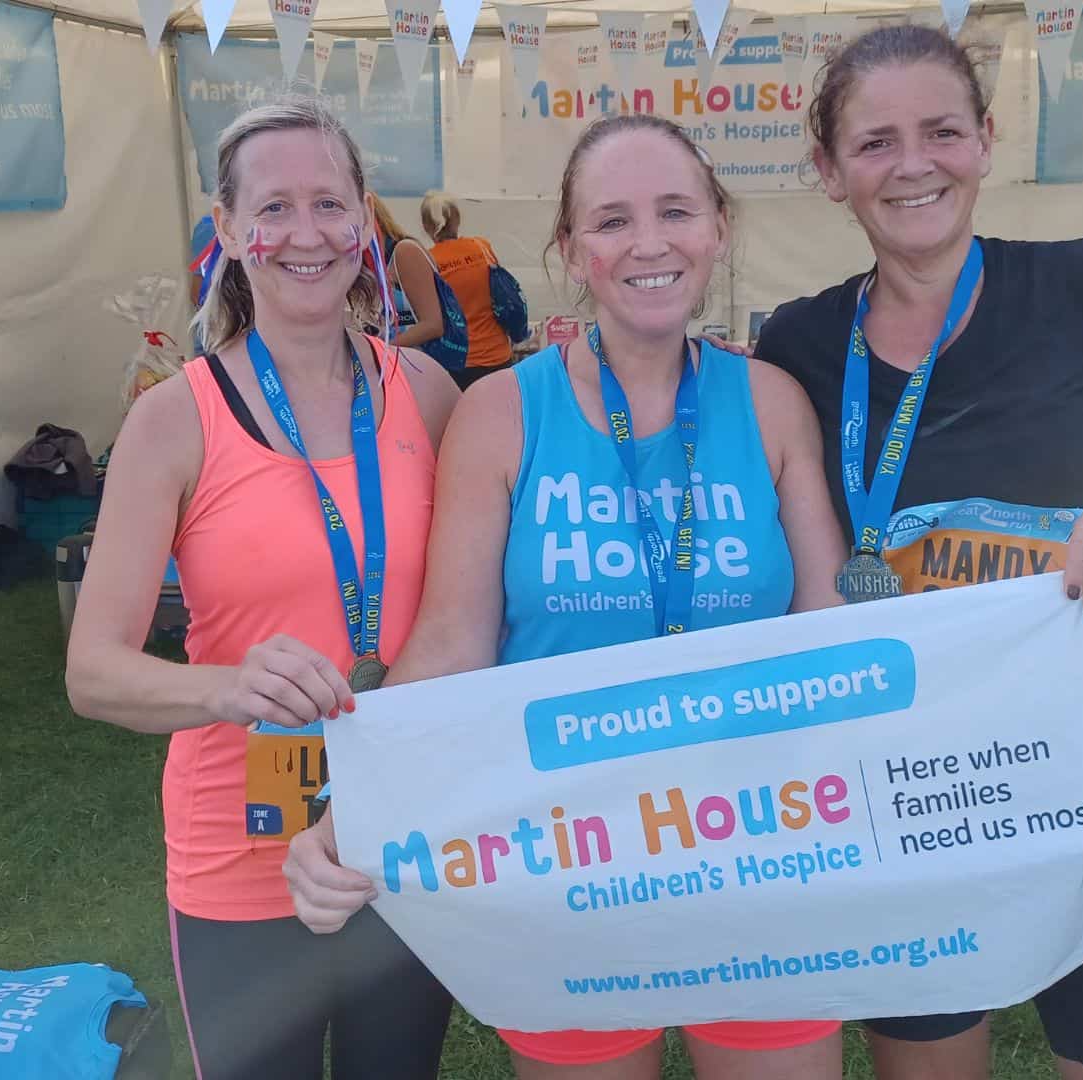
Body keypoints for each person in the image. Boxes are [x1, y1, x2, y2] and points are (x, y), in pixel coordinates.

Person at [285, 113, 852, 1080]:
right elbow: (454, 642)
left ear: (717, 227)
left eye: (676, 211)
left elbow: (835, 635)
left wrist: (1037, 759)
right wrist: (352, 805)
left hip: (764, 851)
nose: (649, 243)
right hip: (565, 859)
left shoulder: (770, 401)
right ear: (571, 248)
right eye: (612, 220)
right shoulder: (503, 411)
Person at [753, 24, 1083, 1080]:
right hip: (912, 796)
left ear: (986, 140)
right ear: (829, 172)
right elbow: (796, 582)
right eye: (875, 143)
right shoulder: (794, 345)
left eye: (941, 131)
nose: (913, 163)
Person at [64, 98, 462, 1079]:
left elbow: (471, 614)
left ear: (364, 221)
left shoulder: (431, 395)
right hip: (242, 852)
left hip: (401, 836)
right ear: (230, 230)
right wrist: (224, 688)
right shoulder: (175, 421)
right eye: (273, 208)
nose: (305, 233)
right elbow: (94, 671)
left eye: (329, 203)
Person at [422, 191, 518, 387]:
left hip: (457, 362)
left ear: (426, 227)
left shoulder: (428, 262)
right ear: (457, 220)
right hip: (498, 356)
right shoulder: (482, 247)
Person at [370, 195, 469, 372]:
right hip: (406, 366)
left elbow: (433, 325)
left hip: (426, 368)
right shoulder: (375, 262)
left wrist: (381, 350)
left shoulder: (404, 252)